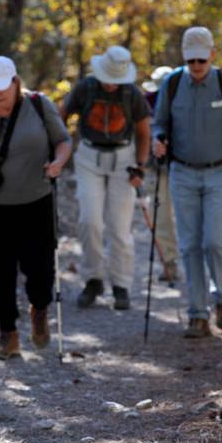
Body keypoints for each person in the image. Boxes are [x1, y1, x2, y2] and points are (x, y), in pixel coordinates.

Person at [0, 56, 71, 360]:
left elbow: (63, 141)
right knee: (1, 274)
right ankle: (8, 335)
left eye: (2, 88)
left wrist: (58, 163)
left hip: (37, 202)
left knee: (39, 269)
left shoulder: (39, 105)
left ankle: (39, 309)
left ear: (16, 82)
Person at [151, 26, 222, 338]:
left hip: (220, 172)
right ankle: (197, 314)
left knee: (213, 240)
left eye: (201, 59)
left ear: (212, 54)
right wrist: (159, 140)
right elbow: (160, 122)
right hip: (182, 173)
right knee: (189, 246)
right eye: (191, 60)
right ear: (184, 59)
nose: (196, 66)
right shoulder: (171, 84)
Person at [59, 46, 152, 310]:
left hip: (124, 159)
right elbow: (60, 116)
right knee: (89, 221)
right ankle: (93, 280)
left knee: (119, 226)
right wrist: (58, 148)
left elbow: (144, 131)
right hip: (89, 156)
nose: (111, 84)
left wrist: (140, 166)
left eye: (116, 79)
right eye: (108, 78)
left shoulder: (131, 94)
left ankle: (121, 285)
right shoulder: (85, 88)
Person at [142, 65, 179, 282]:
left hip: (185, 166)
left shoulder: (187, 99)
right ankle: (169, 263)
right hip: (159, 168)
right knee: (161, 214)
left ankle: (185, 263)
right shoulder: (147, 101)